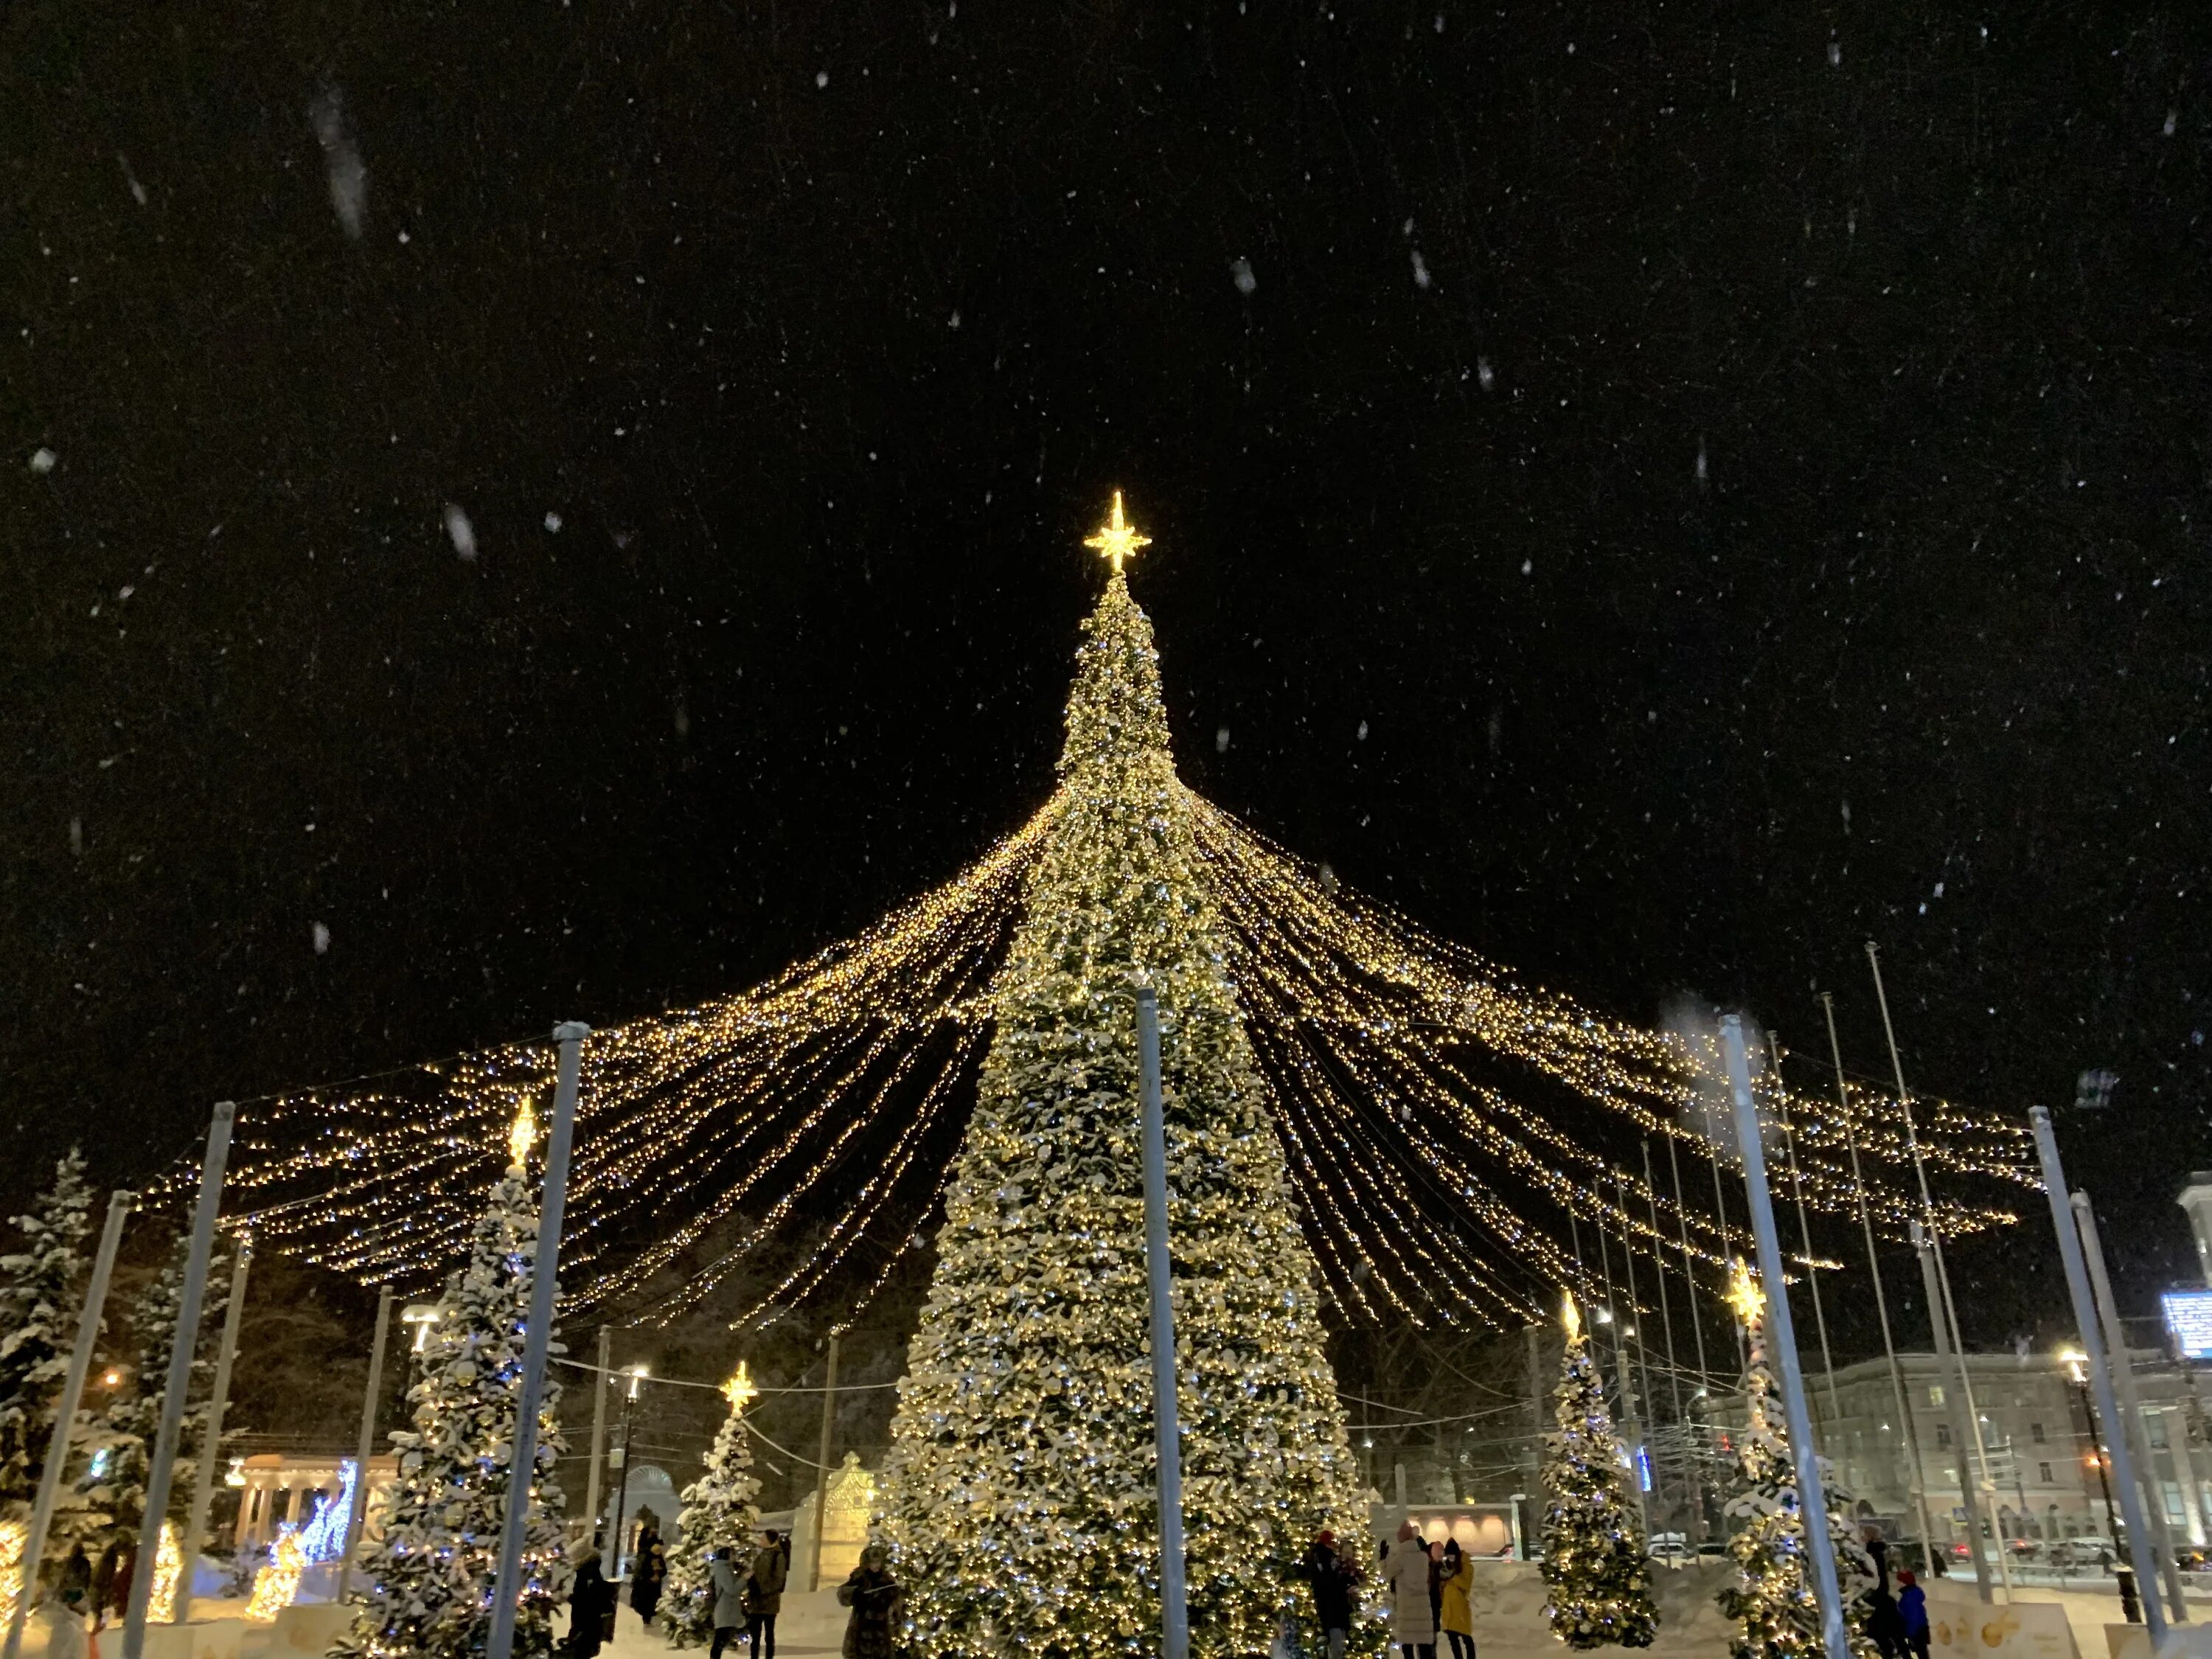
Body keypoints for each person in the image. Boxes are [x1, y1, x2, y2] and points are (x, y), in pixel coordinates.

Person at [836, 1543, 903, 1659]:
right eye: (873, 1563)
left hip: (881, 1631)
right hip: (860, 1629)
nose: (876, 1566)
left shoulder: (887, 1580)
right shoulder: (860, 1577)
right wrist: (855, 1593)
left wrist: (890, 1600)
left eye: (878, 1562)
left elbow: (897, 1603)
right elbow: (842, 1594)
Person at [1298, 1530, 1356, 1659]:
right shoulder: (1328, 1558)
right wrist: (1347, 1583)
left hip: (1325, 1602)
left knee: (1332, 1633)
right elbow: (1334, 1578)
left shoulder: (1316, 1557)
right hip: (1333, 1602)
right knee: (1336, 1635)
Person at [1385, 1521, 1436, 1659]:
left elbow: (1386, 1573)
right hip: (1422, 1607)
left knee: (1408, 1648)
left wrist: (1385, 1559)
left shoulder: (1400, 1557)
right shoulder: (1423, 1557)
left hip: (1406, 1607)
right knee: (1425, 1648)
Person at [564, 1544, 613, 1659]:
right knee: (582, 1645)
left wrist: (575, 1599)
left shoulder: (586, 1572)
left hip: (587, 1619)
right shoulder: (588, 1572)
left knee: (581, 1645)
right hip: (587, 1619)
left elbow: (589, 1595)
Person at [745, 1529, 788, 1659]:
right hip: (756, 1603)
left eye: (763, 1538)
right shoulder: (762, 1554)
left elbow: (779, 1581)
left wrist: (761, 1590)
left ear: (770, 1540)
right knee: (755, 1636)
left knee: (769, 1635)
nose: (761, 1540)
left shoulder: (778, 1556)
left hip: (769, 1603)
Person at [709, 1547, 750, 1659]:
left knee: (721, 1638)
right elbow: (731, 1589)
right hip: (725, 1609)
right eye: (732, 1554)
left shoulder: (725, 1568)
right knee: (720, 1638)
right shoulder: (723, 1570)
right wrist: (744, 1579)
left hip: (727, 1608)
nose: (735, 1556)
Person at [1438, 1540, 1475, 1659]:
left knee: (1466, 1637)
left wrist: (1452, 1578)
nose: (1450, 1558)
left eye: (1452, 1555)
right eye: (1448, 1556)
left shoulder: (1466, 1567)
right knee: (1453, 1638)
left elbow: (1466, 1585)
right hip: (1448, 1609)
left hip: (1460, 1608)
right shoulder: (1447, 1567)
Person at [631, 1525, 667, 1629]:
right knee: (647, 1599)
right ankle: (647, 1618)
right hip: (647, 1580)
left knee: (649, 1600)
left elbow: (660, 1565)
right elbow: (643, 1565)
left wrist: (658, 1574)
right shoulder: (646, 1551)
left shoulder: (650, 1550)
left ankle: (647, 1618)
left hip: (650, 1580)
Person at [1896, 1569, 1930, 1659]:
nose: (1898, 1583)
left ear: (1904, 1582)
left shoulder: (1909, 1597)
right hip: (1921, 1630)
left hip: (1916, 1632)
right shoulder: (1912, 1594)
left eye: (1900, 1581)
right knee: (1923, 1654)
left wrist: (1910, 1634)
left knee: (1921, 1655)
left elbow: (1913, 1617)